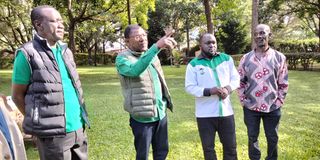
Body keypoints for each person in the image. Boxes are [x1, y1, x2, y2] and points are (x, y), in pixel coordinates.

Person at [11, 5, 90, 160]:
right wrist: (39, 121)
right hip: (52, 136)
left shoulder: (65, 51)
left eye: (61, 21)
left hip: (79, 129)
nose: (61, 25)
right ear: (39, 25)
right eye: (55, 21)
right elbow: (17, 96)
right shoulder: (27, 54)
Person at [116, 24, 177, 160]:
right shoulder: (122, 59)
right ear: (126, 41)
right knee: (143, 155)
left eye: (144, 35)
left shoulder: (152, 55)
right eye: (137, 36)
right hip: (142, 117)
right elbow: (135, 70)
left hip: (160, 114)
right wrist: (157, 46)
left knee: (162, 152)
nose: (143, 39)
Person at [237, 24, 289, 160]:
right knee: (252, 137)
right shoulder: (246, 58)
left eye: (262, 33)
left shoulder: (279, 58)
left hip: (272, 106)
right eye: (256, 34)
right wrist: (243, 100)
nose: (259, 36)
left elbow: (283, 82)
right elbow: (240, 81)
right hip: (251, 106)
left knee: (272, 138)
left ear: (269, 35)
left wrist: (279, 101)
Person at [185, 33, 240, 160]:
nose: (212, 45)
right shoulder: (193, 64)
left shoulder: (226, 59)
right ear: (201, 46)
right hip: (205, 115)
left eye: (214, 42)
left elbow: (236, 78)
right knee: (208, 149)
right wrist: (210, 91)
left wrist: (228, 89)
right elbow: (189, 87)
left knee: (231, 147)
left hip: (226, 113)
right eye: (208, 43)